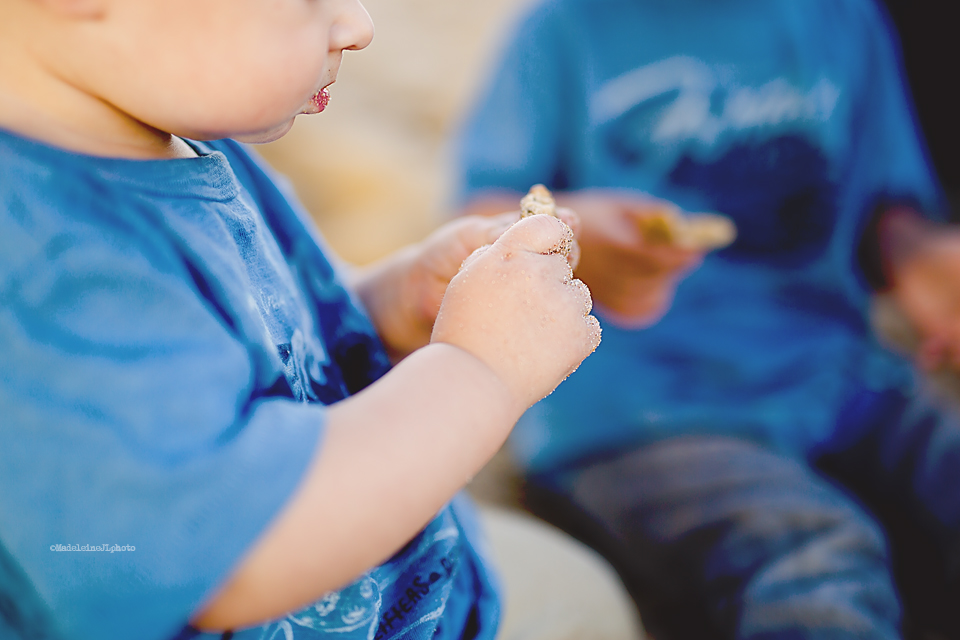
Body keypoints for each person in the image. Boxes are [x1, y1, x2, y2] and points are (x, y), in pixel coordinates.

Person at [0, 0, 622, 639]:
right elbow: (231, 555)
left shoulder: (160, 123)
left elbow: (269, 325)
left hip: (399, 582)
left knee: (575, 586)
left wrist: (393, 303)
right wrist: (481, 368)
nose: (359, 26)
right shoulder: (44, 272)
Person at [458, 0, 960, 638]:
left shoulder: (845, 20)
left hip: (836, 375)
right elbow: (480, 219)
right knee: (819, 554)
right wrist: (571, 232)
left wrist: (922, 260)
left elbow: (885, 211)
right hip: (632, 410)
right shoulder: (559, 29)